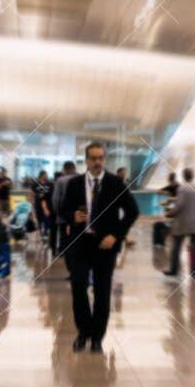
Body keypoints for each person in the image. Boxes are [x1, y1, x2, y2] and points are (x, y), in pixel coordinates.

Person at [56, 141, 139, 352]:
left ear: (105, 159)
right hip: (80, 244)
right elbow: (63, 211)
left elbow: (133, 211)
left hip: (105, 247)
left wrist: (116, 236)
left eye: (100, 158)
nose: (97, 162)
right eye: (93, 158)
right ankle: (83, 332)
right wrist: (72, 217)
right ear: (86, 160)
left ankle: (97, 337)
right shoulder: (74, 183)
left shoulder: (115, 183)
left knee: (102, 292)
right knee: (78, 287)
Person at [164, 167, 195, 279]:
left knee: (177, 246)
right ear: (192, 176)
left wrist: (170, 213)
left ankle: (174, 270)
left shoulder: (183, 189)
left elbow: (180, 205)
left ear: (183, 176)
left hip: (183, 222)